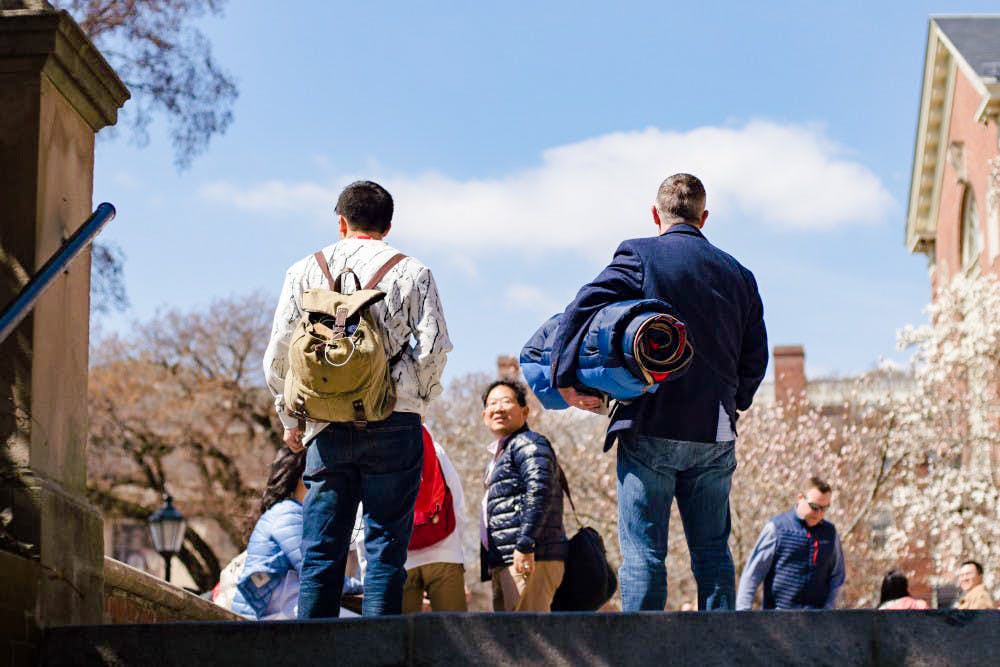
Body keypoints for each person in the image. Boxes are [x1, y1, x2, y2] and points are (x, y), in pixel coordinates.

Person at [550, 173, 768, 611]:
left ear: (656, 214)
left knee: (645, 554)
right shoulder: (739, 274)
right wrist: (734, 403)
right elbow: (755, 357)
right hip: (715, 431)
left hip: (651, 422)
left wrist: (565, 377)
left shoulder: (640, 254)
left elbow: (582, 306)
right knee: (712, 553)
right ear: (703, 218)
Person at [263, 180, 452, 618]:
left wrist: (290, 419)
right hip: (394, 421)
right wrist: (414, 402)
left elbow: (279, 353)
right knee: (386, 550)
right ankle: (378, 656)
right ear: (388, 225)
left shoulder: (304, 271)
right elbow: (434, 349)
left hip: (325, 424)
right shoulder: (413, 271)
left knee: (321, 552)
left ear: (341, 221)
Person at [480, 379, 568, 612]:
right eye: (492, 403)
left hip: (529, 559)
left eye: (506, 402)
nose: (498, 408)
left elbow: (540, 490)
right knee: (513, 642)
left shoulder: (528, 444)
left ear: (524, 411)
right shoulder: (502, 453)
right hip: (510, 560)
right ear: (484, 415)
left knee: (529, 640)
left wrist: (525, 544)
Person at [736, 476, 845, 610]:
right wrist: (743, 615)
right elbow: (752, 574)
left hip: (818, 623)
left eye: (824, 508)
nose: (819, 513)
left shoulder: (830, 533)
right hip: (778, 621)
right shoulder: (777, 528)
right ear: (800, 498)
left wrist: (828, 610)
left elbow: (837, 577)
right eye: (814, 507)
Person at [231, 447, 307, 620]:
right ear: (304, 477)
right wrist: (360, 585)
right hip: (266, 616)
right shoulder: (288, 514)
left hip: (269, 612)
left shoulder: (286, 511)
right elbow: (312, 570)